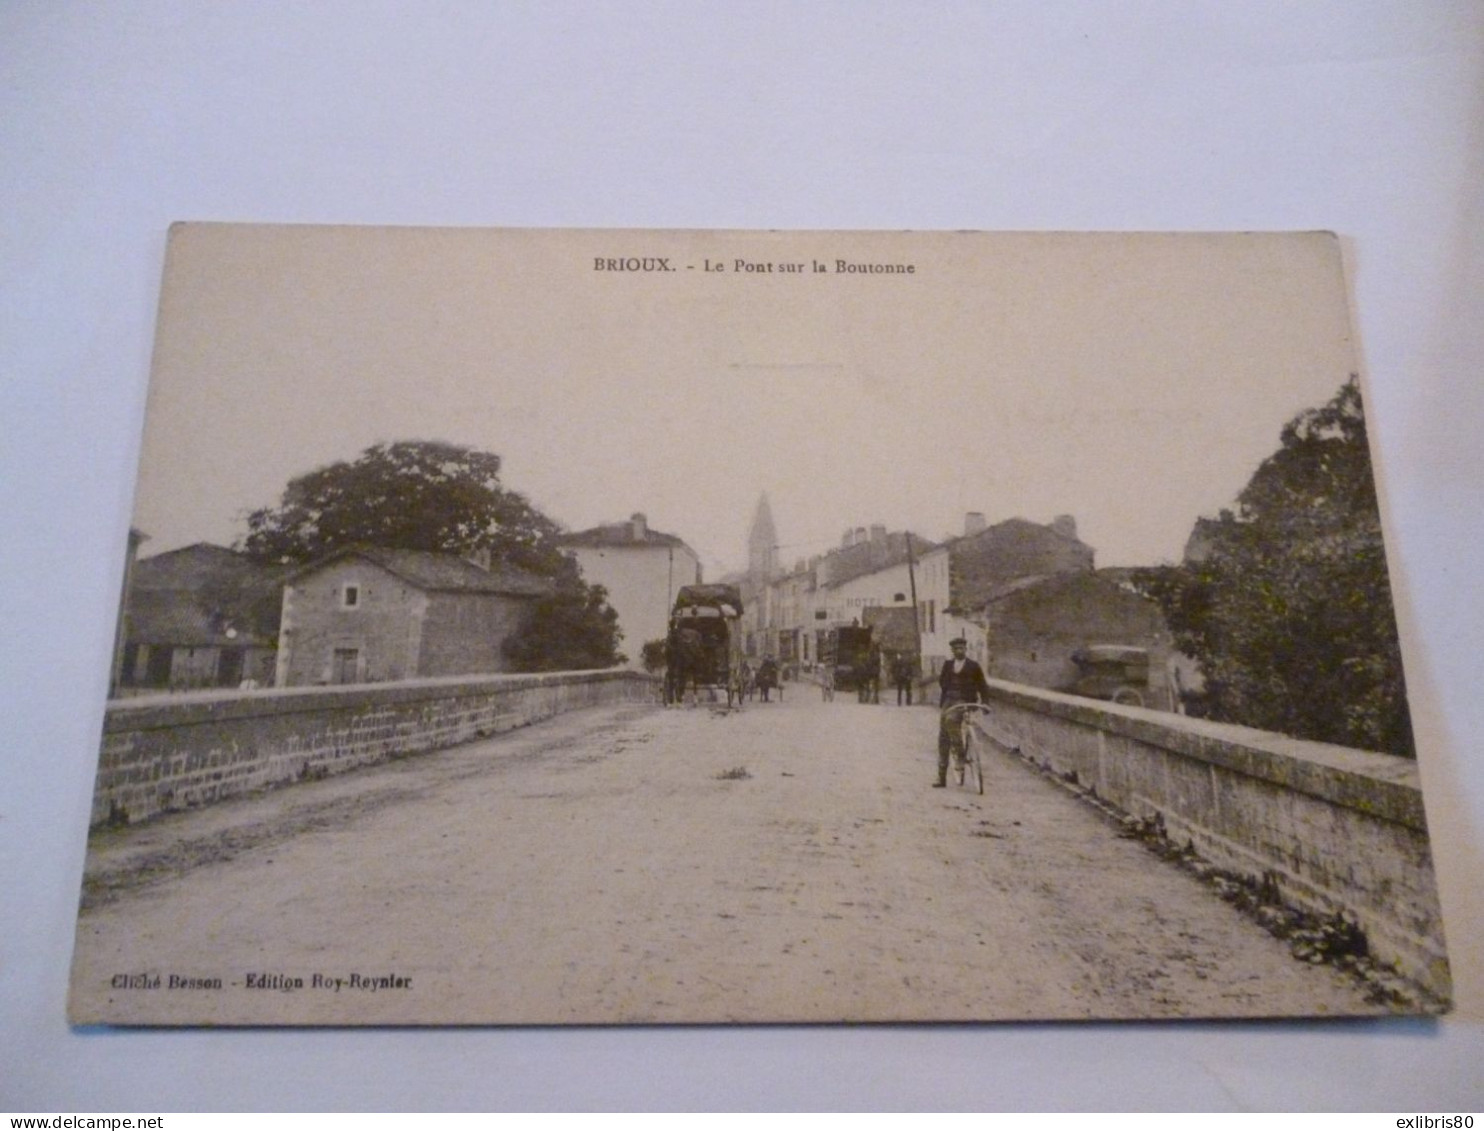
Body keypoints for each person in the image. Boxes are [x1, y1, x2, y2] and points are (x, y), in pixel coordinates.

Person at [935, 636, 990, 787]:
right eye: (956, 649)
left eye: (962, 648)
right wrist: (949, 691)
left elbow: (982, 685)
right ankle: (941, 777)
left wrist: (985, 703)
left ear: (966, 649)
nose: (959, 651)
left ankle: (959, 755)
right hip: (949, 699)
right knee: (943, 736)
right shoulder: (948, 665)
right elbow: (942, 682)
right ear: (952, 651)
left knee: (951, 720)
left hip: (964, 700)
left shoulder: (973, 666)